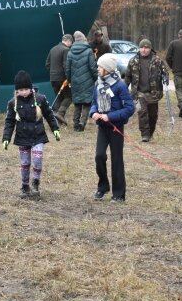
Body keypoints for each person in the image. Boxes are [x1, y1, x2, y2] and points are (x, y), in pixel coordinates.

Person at [2, 70, 60, 199]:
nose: (23, 92)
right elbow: (9, 122)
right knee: (25, 162)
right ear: (17, 90)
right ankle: (25, 186)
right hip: (22, 137)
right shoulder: (13, 103)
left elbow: (49, 115)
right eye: (20, 89)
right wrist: (6, 138)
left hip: (37, 135)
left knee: (38, 159)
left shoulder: (40, 99)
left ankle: (36, 183)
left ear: (31, 87)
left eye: (26, 89)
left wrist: (55, 129)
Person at [89, 54, 134, 202]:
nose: (98, 68)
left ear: (107, 69)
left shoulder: (120, 85)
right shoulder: (98, 83)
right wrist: (94, 112)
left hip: (116, 127)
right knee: (99, 156)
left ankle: (119, 194)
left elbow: (129, 108)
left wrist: (111, 116)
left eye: (100, 66)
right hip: (102, 127)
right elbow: (94, 102)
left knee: (117, 160)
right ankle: (103, 187)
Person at [123, 39, 167, 142]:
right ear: (139, 48)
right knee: (142, 112)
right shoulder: (133, 61)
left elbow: (165, 72)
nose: (144, 50)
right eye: (142, 47)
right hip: (139, 92)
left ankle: (150, 132)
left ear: (150, 48)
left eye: (146, 48)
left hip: (153, 92)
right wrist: (124, 89)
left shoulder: (157, 60)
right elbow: (128, 77)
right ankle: (145, 134)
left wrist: (165, 77)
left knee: (153, 115)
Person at [65, 30, 98, 132]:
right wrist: (97, 78)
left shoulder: (70, 52)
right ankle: (82, 123)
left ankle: (75, 124)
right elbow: (93, 67)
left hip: (75, 82)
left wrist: (69, 80)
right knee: (87, 103)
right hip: (88, 81)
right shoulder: (88, 51)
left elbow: (68, 69)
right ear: (84, 40)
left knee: (77, 103)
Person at [45, 34, 73, 123]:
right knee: (69, 96)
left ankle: (57, 121)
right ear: (68, 41)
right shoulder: (66, 50)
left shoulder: (53, 49)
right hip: (62, 79)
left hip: (53, 78)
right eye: (71, 42)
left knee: (59, 98)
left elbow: (47, 64)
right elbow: (66, 66)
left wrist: (54, 72)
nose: (71, 44)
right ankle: (60, 114)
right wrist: (69, 79)